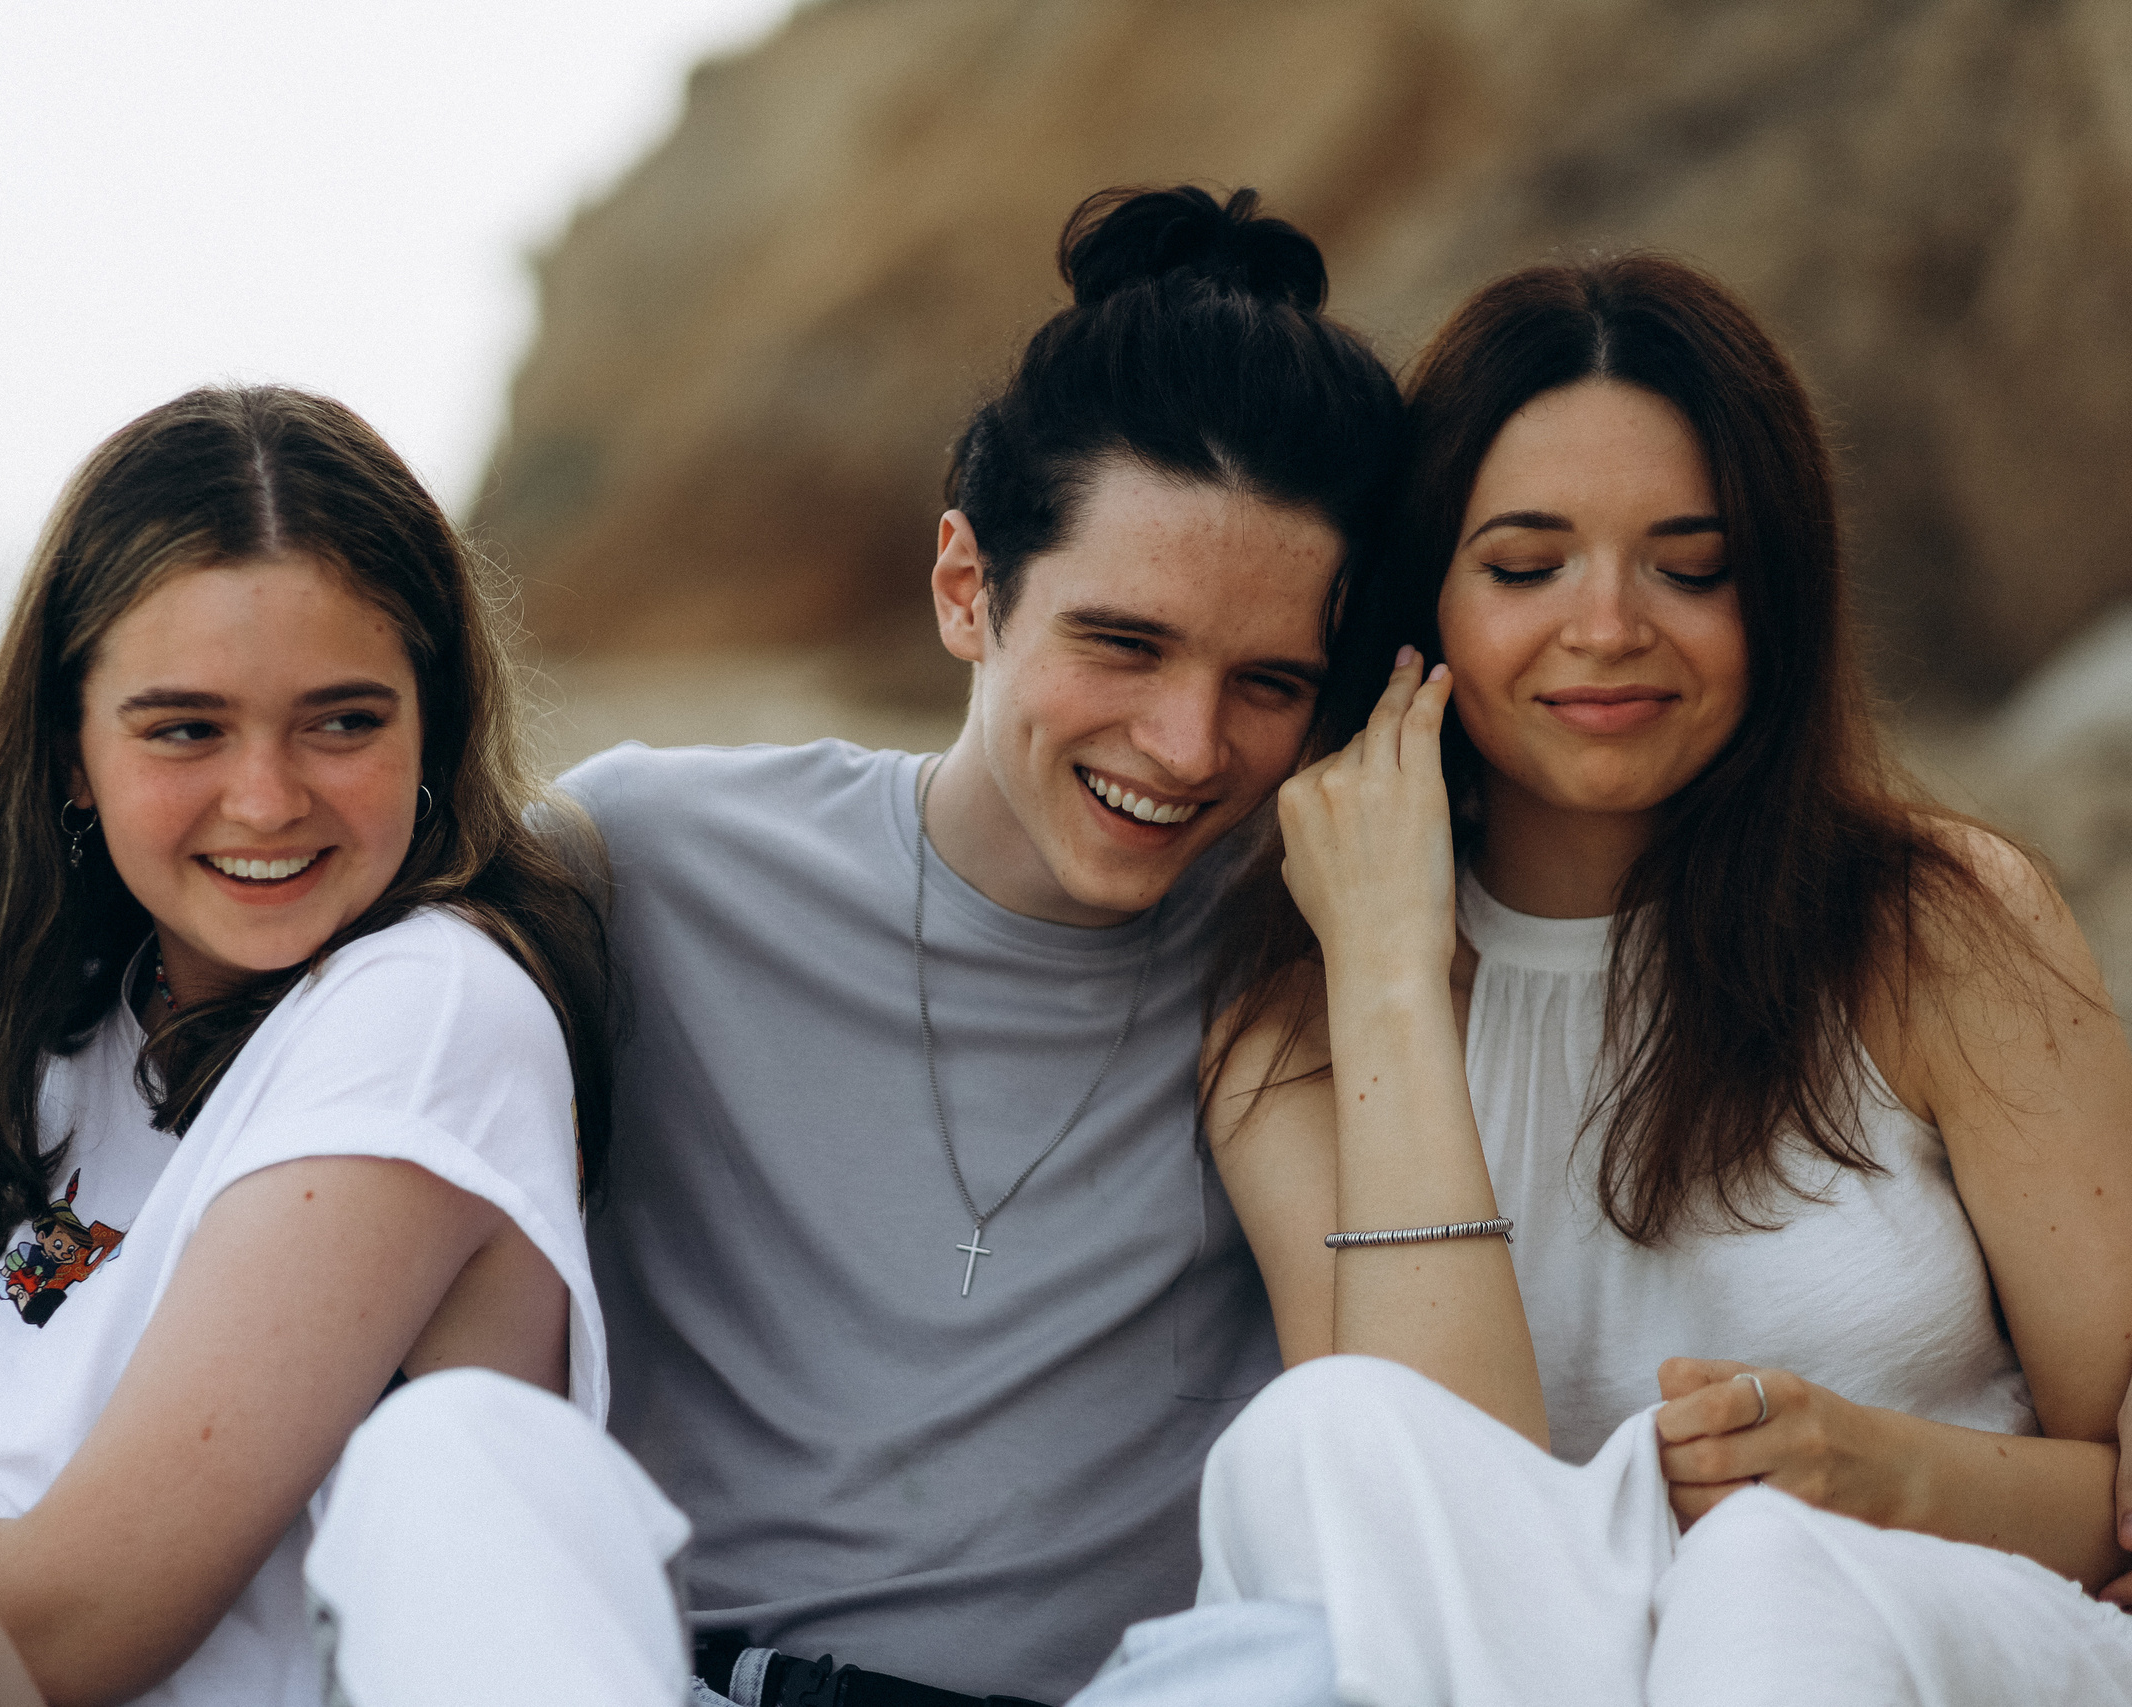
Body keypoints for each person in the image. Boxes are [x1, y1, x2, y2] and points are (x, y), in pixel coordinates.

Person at [0, 385, 690, 1706]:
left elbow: (87, 1619)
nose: (268, 799)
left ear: (431, 721)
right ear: (71, 747)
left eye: (345, 721)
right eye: (185, 728)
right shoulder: (55, 1013)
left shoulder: (427, 1005)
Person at [1143, 253, 2132, 1704]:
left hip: (1956, 1637)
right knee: (1322, 1439)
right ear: (1423, 605)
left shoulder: (1932, 928)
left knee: (1768, 1575)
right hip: (1561, 1674)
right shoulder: (1301, 1028)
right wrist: (1396, 983)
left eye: (1693, 565)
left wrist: (1880, 1475)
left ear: (1775, 599)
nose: (1608, 627)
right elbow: (1439, 1528)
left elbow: (2114, 1476)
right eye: (1526, 566)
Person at [562, 184, 1404, 1705]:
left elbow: (1422, 1491)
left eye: (1270, 681)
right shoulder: (645, 857)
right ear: (969, 588)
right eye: (1124, 642)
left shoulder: (1315, 953)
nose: (1189, 741)